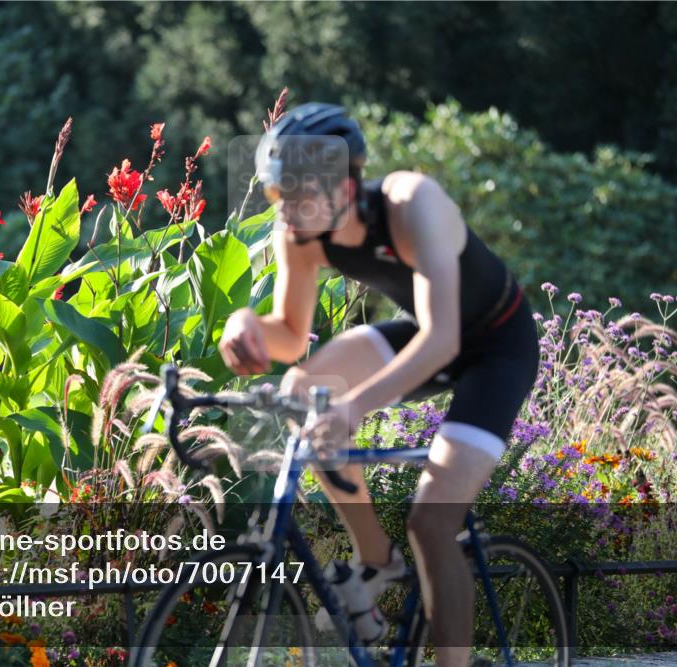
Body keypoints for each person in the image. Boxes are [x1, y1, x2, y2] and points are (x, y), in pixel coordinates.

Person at [218, 103, 540, 667]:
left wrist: (352, 407)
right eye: (276, 196)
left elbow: (442, 340)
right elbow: (292, 337)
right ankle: (377, 560)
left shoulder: (414, 204)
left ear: (343, 186)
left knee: (432, 522)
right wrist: (242, 323)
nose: (285, 213)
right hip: (427, 332)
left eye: (296, 196)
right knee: (302, 390)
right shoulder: (301, 231)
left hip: (495, 347)